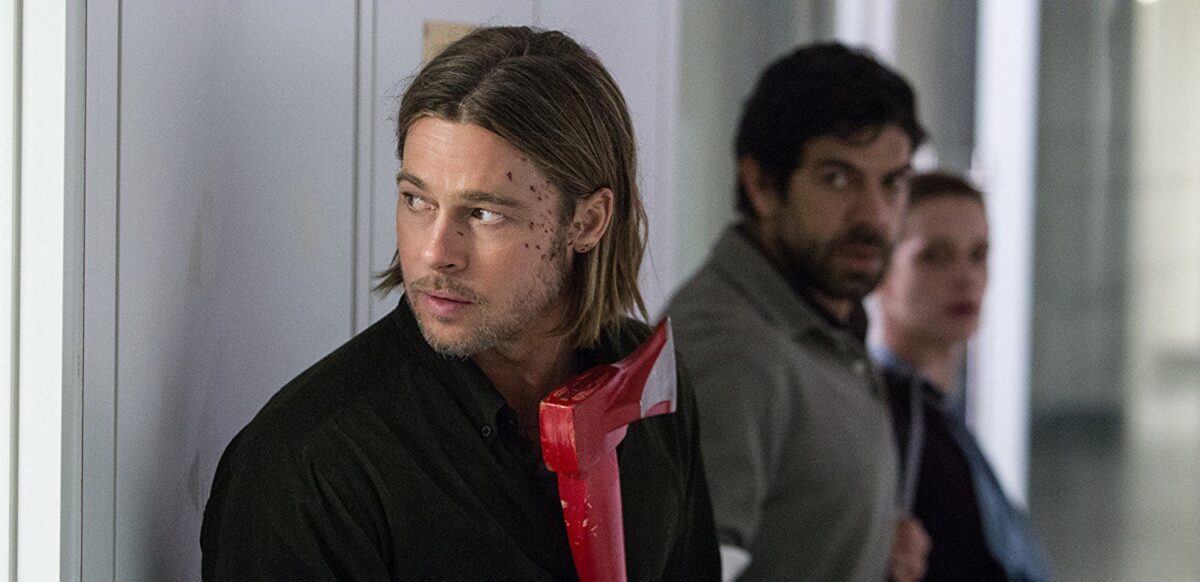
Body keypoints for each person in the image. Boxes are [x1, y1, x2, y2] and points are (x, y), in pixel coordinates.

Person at [201, 26, 720, 581]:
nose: (434, 253)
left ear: (587, 222)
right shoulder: (309, 470)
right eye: (416, 200)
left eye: (484, 213)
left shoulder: (648, 383)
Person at [665, 42, 930, 581]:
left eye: (893, 183)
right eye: (838, 178)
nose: (875, 216)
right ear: (762, 185)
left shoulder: (822, 319)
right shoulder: (732, 349)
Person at [873, 171, 1052, 581]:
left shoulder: (938, 417)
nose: (965, 277)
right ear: (882, 272)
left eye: (978, 255)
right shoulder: (890, 420)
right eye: (934, 256)